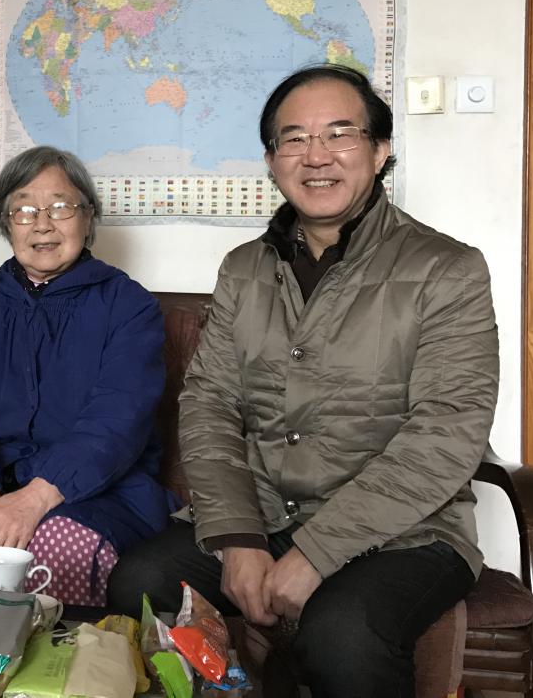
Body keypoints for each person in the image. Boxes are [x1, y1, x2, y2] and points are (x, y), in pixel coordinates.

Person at [106, 64, 499, 697]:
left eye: (339, 134)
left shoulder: (446, 269)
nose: (316, 156)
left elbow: (446, 435)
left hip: (405, 532)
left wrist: (314, 552)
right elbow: (209, 403)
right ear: (271, 160)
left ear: (380, 150)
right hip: (260, 511)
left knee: (342, 634)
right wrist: (238, 538)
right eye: (293, 138)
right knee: (140, 583)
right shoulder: (244, 269)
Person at [0, 146, 176, 605]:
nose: (42, 224)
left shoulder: (129, 306)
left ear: (88, 217)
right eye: (24, 210)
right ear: (6, 223)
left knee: (53, 555)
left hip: (94, 495)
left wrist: (35, 498)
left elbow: (119, 416)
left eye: (60, 207)